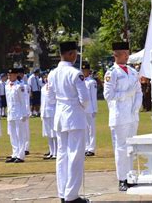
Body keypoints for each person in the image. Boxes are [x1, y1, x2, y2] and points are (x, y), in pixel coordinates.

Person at [46, 41, 90, 202]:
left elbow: (50, 98)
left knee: (62, 155)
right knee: (75, 155)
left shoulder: (52, 73)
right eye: (75, 53)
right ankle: (72, 195)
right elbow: (84, 99)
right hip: (74, 116)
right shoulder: (74, 73)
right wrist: (79, 107)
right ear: (71, 54)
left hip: (60, 115)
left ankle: (63, 193)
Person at [103, 41, 142, 191]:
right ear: (116, 55)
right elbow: (108, 95)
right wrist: (127, 94)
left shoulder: (132, 72)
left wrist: (136, 106)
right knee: (120, 148)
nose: (127, 56)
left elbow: (138, 91)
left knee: (131, 147)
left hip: (132, 114)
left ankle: (131, 175)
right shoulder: (111, 73)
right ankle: (122, 178)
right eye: (124, 53)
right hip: (119, 116)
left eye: (127, 53)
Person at [5, 68, 28, 163]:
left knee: (20, 134)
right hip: (11, 113)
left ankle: (21, 155)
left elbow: (23, 101)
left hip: (19, 113)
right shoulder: (7, 86)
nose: (9, 77)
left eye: (11, 75)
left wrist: (24, 113)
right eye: (8, 75)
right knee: (12, 135)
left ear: (16, 75)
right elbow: (8, 101)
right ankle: (14, 153)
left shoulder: (20, 86)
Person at [82, 62, 97, 157]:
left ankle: (91, 148)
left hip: (90, 108)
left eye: (85, 70)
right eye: (82, 70)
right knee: (85, 129)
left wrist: (94, 109)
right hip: (83, 109)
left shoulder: (92, 82)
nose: (84, 72)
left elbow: (93, 97)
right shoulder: (81, 81)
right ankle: (86, 147)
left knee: (91, 129)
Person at [40, 72, 57, 160]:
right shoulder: (43, 88)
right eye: (45, 77)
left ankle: (56, 152)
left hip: (53, 112)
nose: (46, 79)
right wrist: (41, 112)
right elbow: (42, 101)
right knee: (48, 134)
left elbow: (55, 100)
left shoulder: (54, 88)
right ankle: (51, 151)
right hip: (45, 112)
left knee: (54, 133)